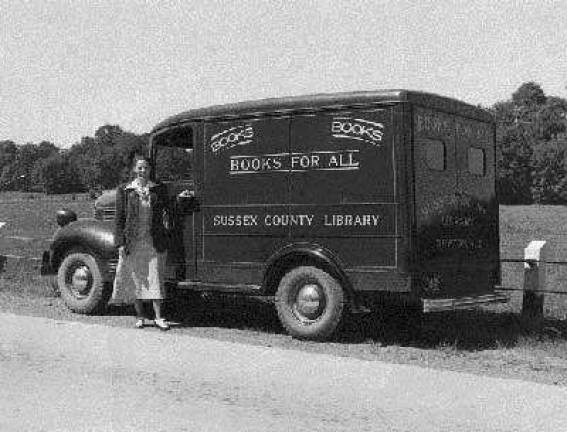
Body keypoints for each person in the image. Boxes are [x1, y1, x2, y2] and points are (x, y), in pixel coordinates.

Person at [112, 154, 171, 330]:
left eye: (146, 168)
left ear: (150, 170)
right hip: (133, 242)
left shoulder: (158, 189)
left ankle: (159, 317)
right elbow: (119, 219)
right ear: (134, 170)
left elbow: (167, 209)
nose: (143, 171)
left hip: (153, 241)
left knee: (155, 278)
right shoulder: (125, 190)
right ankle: (140, 316)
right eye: (139, 168)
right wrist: (120, 243)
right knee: (136, 279)